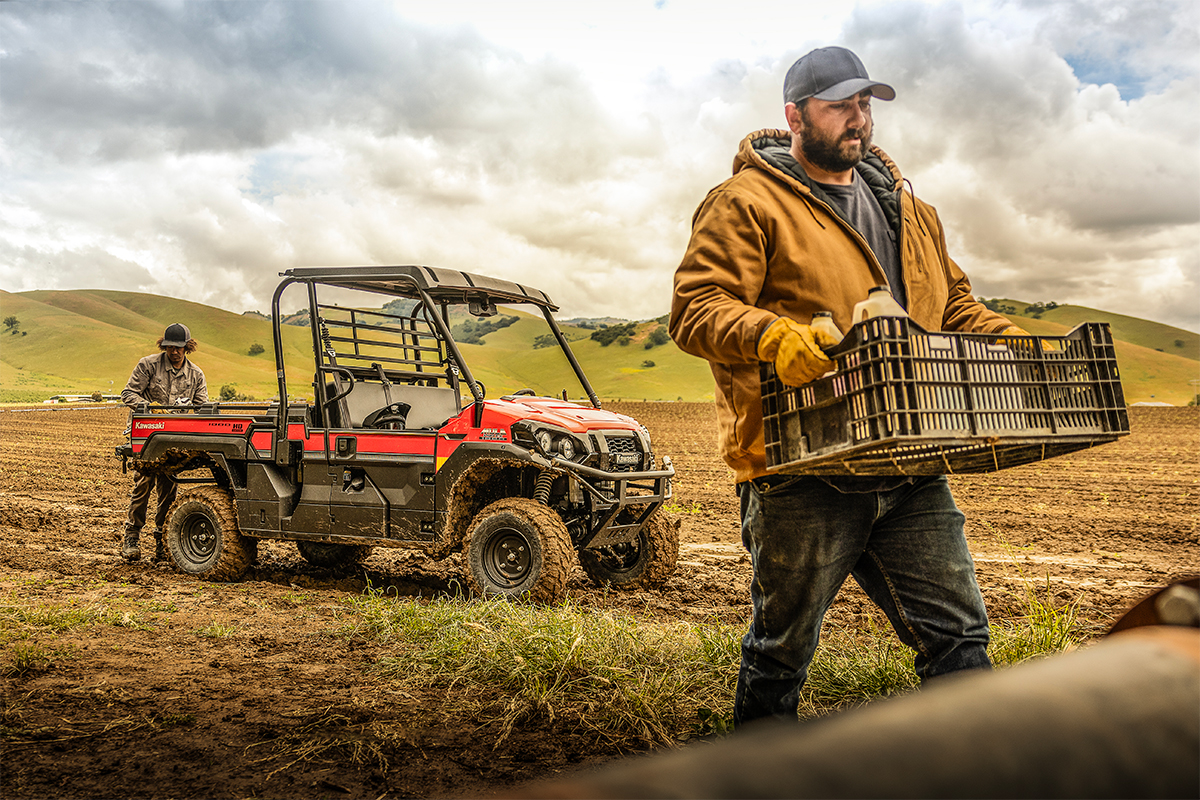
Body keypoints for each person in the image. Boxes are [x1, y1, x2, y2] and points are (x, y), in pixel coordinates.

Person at [669, 46, 1026, 726]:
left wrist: (1003, 341)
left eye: (865, 104)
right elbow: (697, 309)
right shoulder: (746, 202)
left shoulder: (909, 210)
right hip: (801, 465)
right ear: (795, 115)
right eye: (840, 106)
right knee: (782, 652)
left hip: (910, 457)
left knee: (959, 638)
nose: (858, 120)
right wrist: (772, 337)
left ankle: (982, 771)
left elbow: (951, 308)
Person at [119, 323, 208, 562]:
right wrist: (148, 407)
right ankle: (132, 536)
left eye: (179, 348)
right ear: (164, 346)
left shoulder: (196, 375)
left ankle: (161, 540)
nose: (174, 352)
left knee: (169, 488)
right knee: (143, 484)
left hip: (174, 438)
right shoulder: (148, 365)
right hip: (147, 434)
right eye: (169, 347)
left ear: (187, 347)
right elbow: (128, 393)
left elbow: (202, 409)